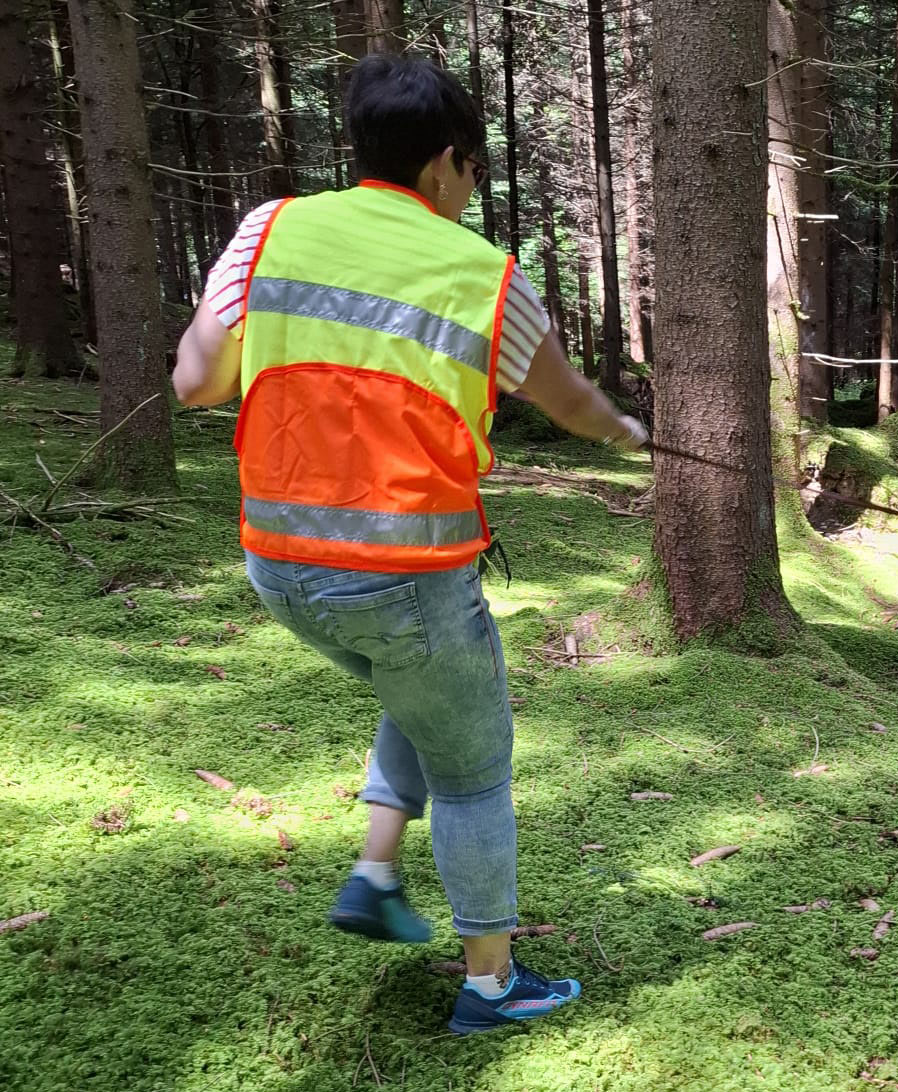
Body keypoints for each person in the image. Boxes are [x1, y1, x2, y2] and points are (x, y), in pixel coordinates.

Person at [171, 52, 646, 1036]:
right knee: (474, 767)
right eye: (474, 168)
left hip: (278, 569)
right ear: (443, 164)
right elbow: (567, 402)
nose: (473, 188)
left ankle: (378, 873)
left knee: (421, 693)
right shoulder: (486, 276)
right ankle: (492, 987)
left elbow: (196, 384)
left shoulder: (269, 230)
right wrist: (625, 431)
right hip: (406, 579)